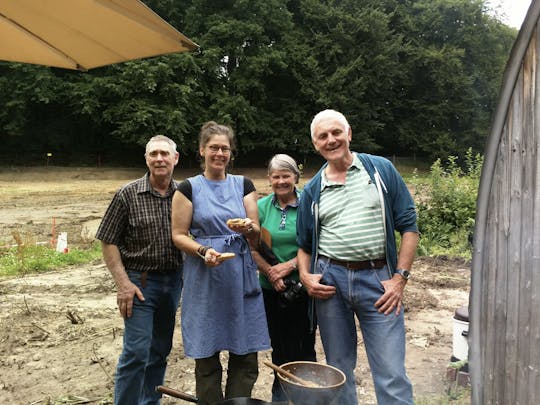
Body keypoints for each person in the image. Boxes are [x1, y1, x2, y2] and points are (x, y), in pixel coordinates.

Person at [296, 109, 419, 405]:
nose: (331, 139)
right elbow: (305, 245)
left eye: (336, 132)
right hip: (330, 284)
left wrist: (399, 279)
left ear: (349, 133)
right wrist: (304, 274)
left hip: (379, 281)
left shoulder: (379, 171)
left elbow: (410, 228)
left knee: (390, 371)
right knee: (338, 370)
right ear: (315, 144)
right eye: (323, 136)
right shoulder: (313, 190)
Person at [171, 121, 270, 405]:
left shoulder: (244, 185)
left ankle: (238, 401)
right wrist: (203, 251)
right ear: (202, 150)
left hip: (240, 274)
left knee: (246, 353)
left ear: (231, 153)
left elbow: (255, 231)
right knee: (206, 353)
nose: (219, 153)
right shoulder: (188, 188)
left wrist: (248, 228)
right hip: (204, 274)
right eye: (213, 147)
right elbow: (178, 235)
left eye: (224, 148)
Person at [95, 135, 183, 405]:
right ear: (146, 159)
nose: (159, 159)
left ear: (175, 159)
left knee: (159, 350)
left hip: (174, 281)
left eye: (164, 154)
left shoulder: (184, 194)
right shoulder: (127, 194)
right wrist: (123, 284)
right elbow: (108, 239)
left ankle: (149, 402)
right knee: (136, 352)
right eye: (153, 154)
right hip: (140, 284)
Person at [250, 154, 316, 402]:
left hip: (302, 287)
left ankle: (307, 397)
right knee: (279, 347)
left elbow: (316, 245)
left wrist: (287, 267)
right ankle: (280, 397)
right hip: (270, 290)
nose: (281, 181)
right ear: (269, 179)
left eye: (286, 175)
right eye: (276, 176)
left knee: (304, 347)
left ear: (296, 177)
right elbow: (253, 247)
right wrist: (270, 272)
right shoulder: (261, 207)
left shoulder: (308, 205)